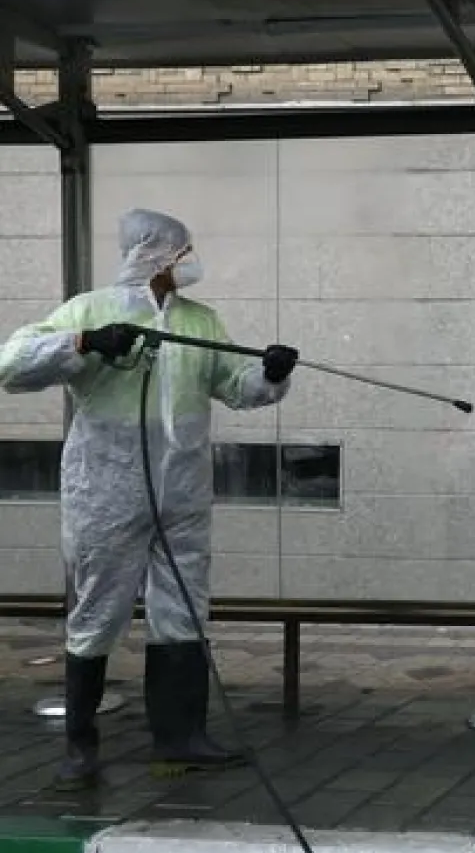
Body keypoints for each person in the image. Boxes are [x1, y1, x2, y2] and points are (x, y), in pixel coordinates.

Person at [0, 208, 299, 790]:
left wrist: (271, 374)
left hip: (181, 493)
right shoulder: (88, 310)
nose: (188, 261)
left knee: (183, 607)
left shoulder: (200, 322)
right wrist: (84, 343)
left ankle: (181, 740)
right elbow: (12, 366)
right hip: (107, 491)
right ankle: (80, 747)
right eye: (182, 252)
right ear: (152, 254)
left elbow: (236, 388)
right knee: (97, 610)